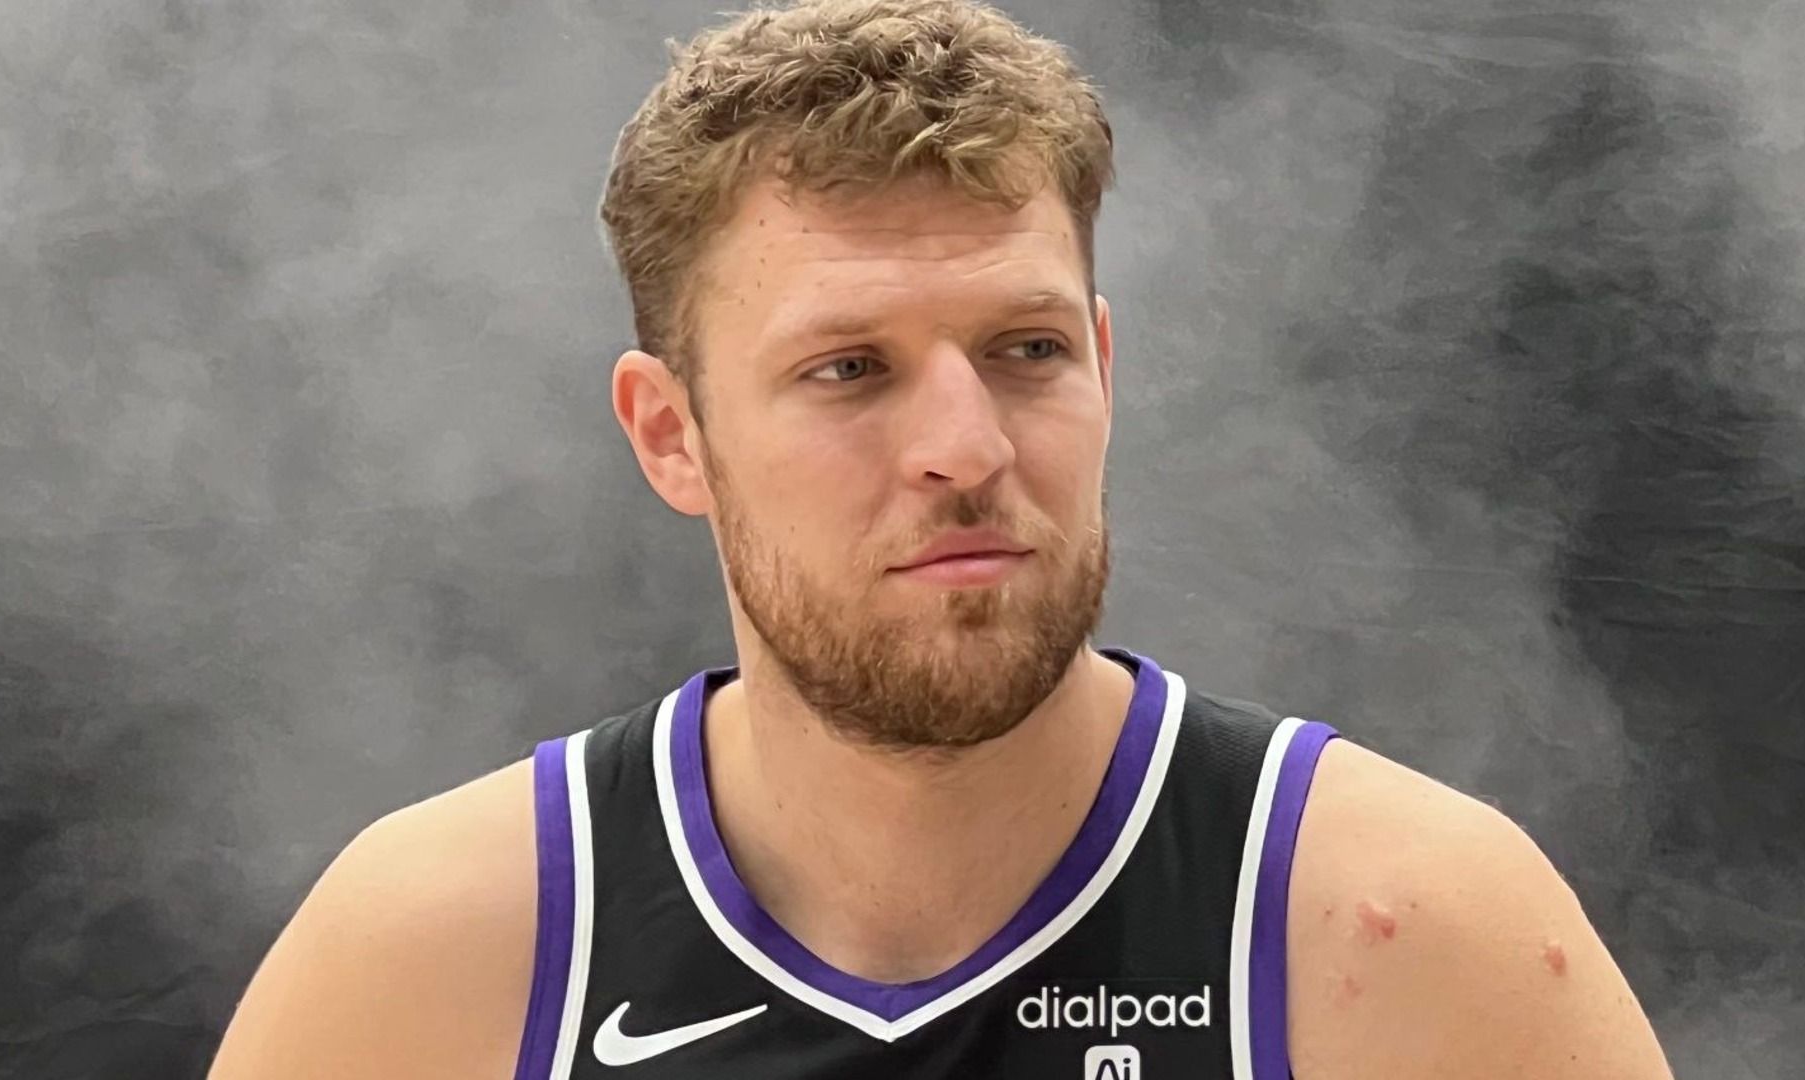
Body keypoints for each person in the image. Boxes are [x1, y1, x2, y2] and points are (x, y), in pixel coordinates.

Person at [208, 1, 1677, 1077]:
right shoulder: (445, 957)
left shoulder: (1401, 930)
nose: (967, 448)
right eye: (849, 369)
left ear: (1106, 365)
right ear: (670, 435)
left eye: (1027, 349)